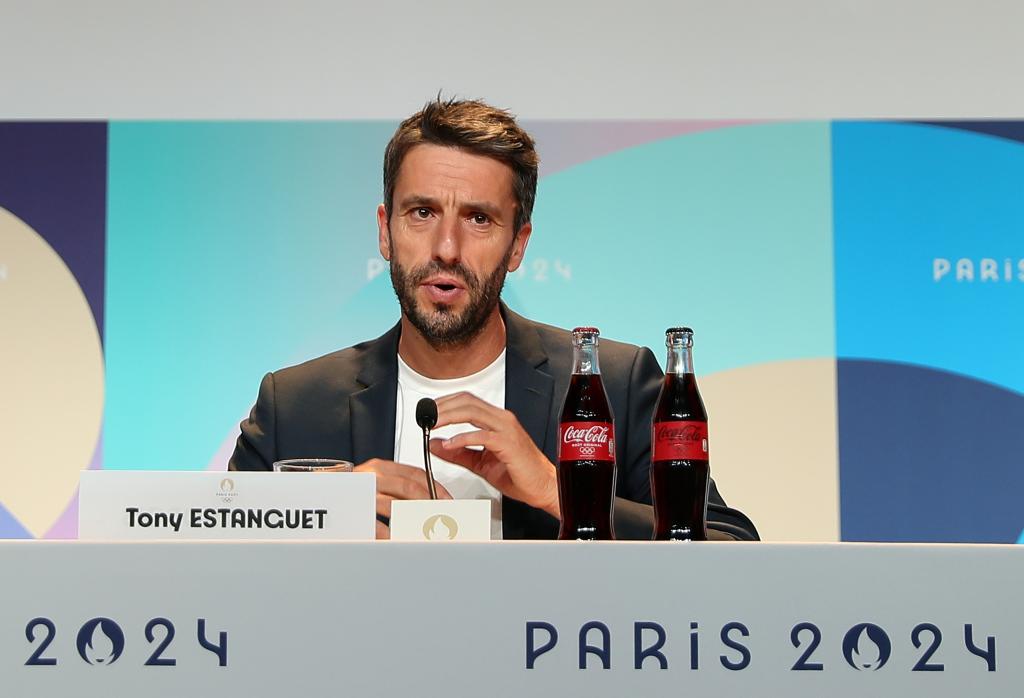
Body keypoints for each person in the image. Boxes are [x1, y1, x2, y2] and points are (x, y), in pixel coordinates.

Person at [229, 97, 757, 541]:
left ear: (518, 245)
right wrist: (323, 518)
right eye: (422, 213)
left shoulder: (613, 386)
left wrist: (556, 491)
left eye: (479, 219)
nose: (447, 248)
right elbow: (211, 562)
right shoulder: (294, 406)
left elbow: (730, 548)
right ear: (385, 231)